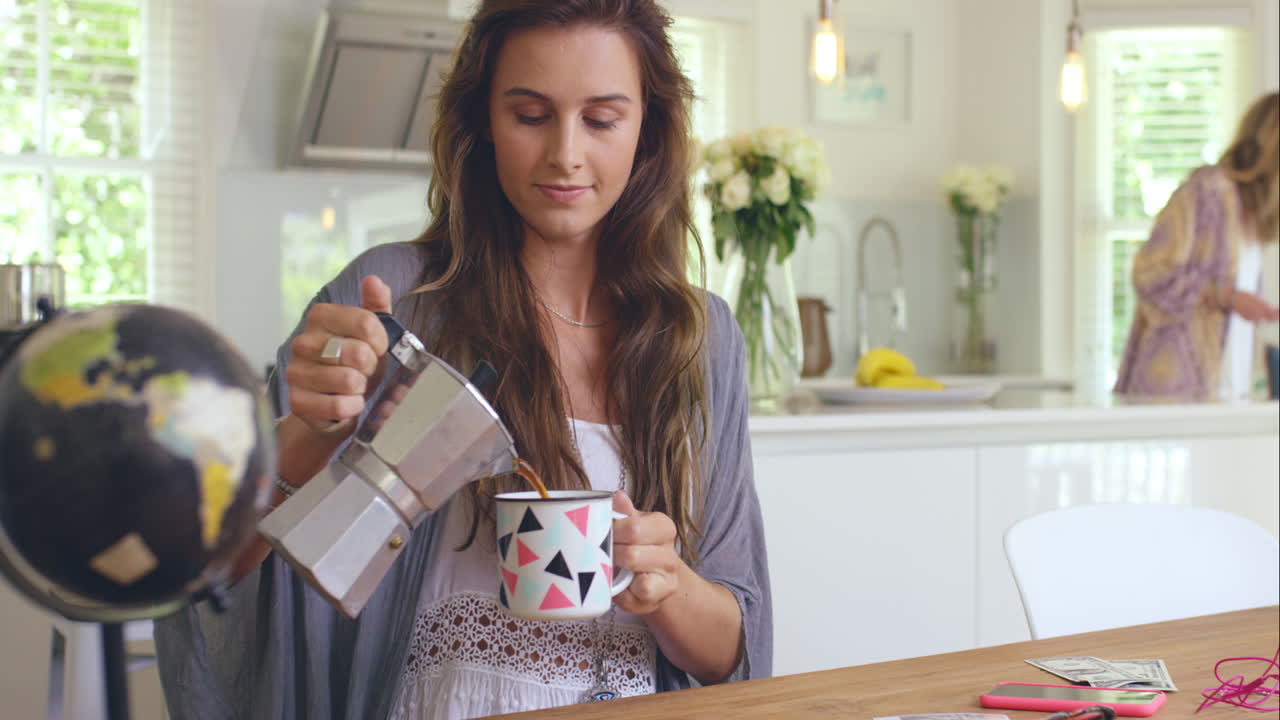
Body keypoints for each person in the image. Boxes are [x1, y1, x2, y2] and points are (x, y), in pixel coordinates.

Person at [153, 1, 772, 719]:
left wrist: (668, 588)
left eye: (601, 120)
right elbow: (207, 575)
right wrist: (308, 439)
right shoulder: (393, 302)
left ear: (649, 131)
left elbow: (736, 648)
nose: (566, 154)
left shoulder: (701, 338)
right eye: (531, 116)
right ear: (481, 122)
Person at [1115, 91, 1280, 400]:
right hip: (1175, 389)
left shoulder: (1255, 218)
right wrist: (1226, 296)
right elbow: (1149, 274)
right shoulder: (1208, 190)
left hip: (1230, 388)